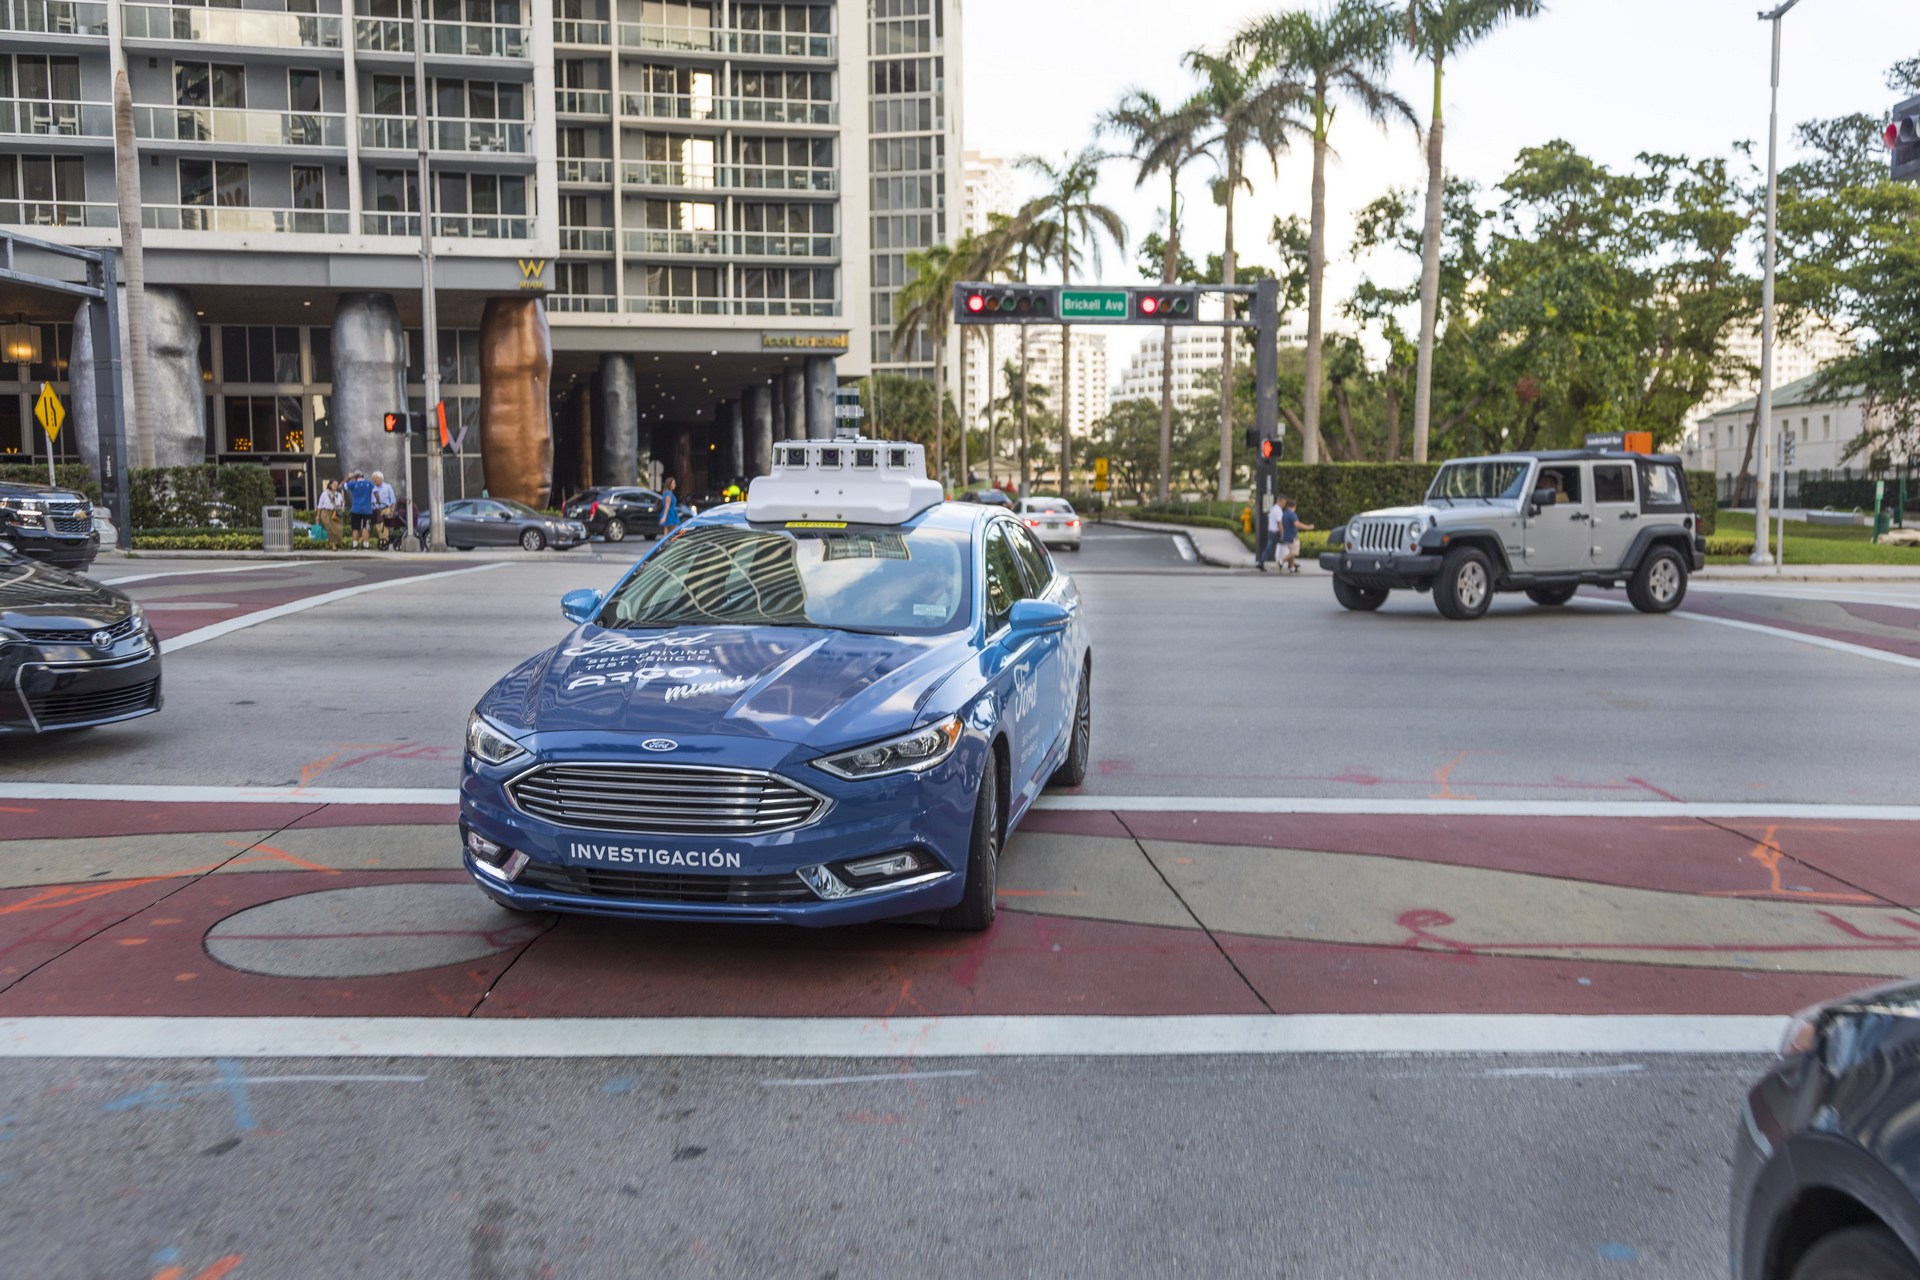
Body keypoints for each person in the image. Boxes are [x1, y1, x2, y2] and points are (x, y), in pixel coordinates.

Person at [1280, 499, 1315, 574]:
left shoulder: (1284, 513)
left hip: (1286, 535)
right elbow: (1297, 524)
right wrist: (1308, 527)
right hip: (1292, 536)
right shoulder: (1292, 514)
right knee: (1295, 552)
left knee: (1291, 552)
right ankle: (1281, 561)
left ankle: (1292, 568)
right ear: (1294, 506)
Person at [343, 470, 376, 550]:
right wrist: (378, 500)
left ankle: (355, 546)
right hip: (367, 509)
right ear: (363, 476)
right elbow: (376, 492)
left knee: (355, 528)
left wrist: (348, 478)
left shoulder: (352, 484)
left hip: (355, 509)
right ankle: (366, 546)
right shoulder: (369, 483)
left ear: (355, 477)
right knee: (365, 528)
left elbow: (342, 486)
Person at [315, 479, 345, 549]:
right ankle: (333, 544)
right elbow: (320, 506)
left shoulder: (338, 494)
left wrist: (341, 504)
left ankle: (336, 542)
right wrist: (318, 516)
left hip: (335, 513)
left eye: (336, 485)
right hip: (326, 513)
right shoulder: (324, 494)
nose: (335, 486)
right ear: (330, 485)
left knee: (338, 528)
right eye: (334, 484)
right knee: (330, 529)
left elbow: (341, 505)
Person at [1257, 496, 1283, 572]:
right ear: (1279, 500)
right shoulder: (1278, 510)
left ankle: (1261, 562)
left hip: (1271, 531)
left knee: (1269, 548)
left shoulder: (1273, 509)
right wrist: (1282, 533)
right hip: (1275, 532)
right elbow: (1279, 523)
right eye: (1283, 501)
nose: (1284, 504)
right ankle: (1288, 562)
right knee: (1288, 544)